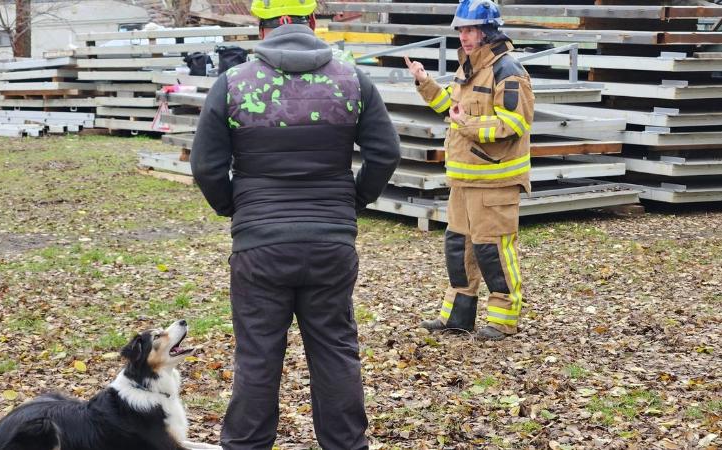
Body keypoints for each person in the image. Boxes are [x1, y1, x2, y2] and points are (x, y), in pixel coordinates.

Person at [189, 0, 401, 447]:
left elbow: (207, 166)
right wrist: (353, 200)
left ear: (263, 28)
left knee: (258, 357)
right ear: (311, 22)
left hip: (259, 245)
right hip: (330, 242)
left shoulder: (232, 83)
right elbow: (385, 153)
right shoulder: (352, 79)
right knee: (335, 352)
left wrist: (236, 209)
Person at [406, 0, 534, 341]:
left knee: (492, 252)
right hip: (463, 181)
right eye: (461, 30)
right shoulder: (468, 68)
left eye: (471, 30)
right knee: (458, 250)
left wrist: (469, 125)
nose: (464, 36)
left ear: (488, 31)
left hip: (495, 182)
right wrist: (424, 82)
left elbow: (514, 123)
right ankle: (457, 317)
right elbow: (450, 107)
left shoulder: (509, 71)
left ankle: (503, 320)